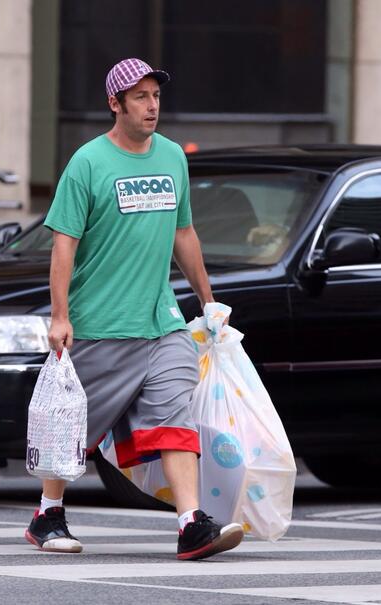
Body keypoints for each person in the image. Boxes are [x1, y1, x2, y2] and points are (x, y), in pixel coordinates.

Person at [25, 58, 244, 560]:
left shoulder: (172, 157)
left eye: (156, 96)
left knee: (175, 415)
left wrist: (209, 303)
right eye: (140, 97)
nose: (152, 106)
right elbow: (64, 243)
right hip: (101, 321)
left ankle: (191, 524)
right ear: (115, 103)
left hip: (161, 320)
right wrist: (61, 315)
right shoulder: (87, 163)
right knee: (74, 426)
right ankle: (47, 513)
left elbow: (183, 234)